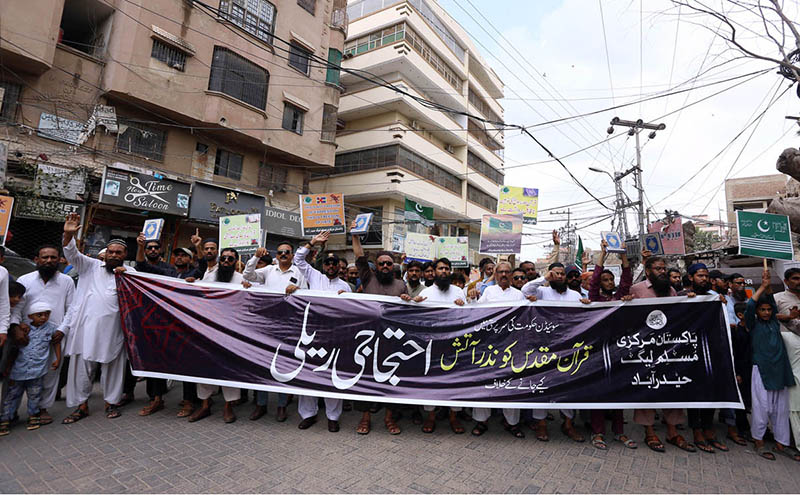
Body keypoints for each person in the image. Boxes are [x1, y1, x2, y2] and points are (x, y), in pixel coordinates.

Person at [61, 213, 135, 424]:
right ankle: (81, 406)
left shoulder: (130, 272)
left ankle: (111, 403)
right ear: (105, 254)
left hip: (115, 331)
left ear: (124, 254)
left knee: (113, 368)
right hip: (87, 329)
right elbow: (72, 254)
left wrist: (127, 275)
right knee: (82, 368)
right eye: (110, 252)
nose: (113, 255)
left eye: (117, 253)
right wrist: (68, 235)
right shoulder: (90, 266)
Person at [520, 262, 589, 442]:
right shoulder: (542, 292)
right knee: (541, 385)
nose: (559, 277)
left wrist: (587, 306)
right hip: (544, 348)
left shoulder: (575, 295)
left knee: (568, 386)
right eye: (556, 274)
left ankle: (567, 424)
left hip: (568, 348)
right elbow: (526, 290)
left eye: (562, 274)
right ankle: (541, 425)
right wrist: (545, 278)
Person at [290, 231, 351, 433]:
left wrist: (346, 300)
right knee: (308, 374)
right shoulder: (314, 276)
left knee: (333, 377)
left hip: (335, 337)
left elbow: (352, 313)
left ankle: (333, 417)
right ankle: (308, 414)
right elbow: (298, 259)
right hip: (312, 335)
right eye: (328, 264)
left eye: (335, 264)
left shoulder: (345, 287)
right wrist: (313, 242)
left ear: (339, 268)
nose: (331, 267)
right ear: (323, 266)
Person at [629, 256, 691, 453]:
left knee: (672, 387)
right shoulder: (637, 290)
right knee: (647, 388)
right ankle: (649, 431)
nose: (662, 272)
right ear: (648, 271)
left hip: (669, 348)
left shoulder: (671, 290)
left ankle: (672, 431)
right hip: (646, 349)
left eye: (664, 268)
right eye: (657, 269)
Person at [9, 244, 74, 426]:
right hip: (26, 335)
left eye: (53, 257)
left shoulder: (66, 281)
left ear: (60, 260)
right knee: (18, 372)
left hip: (54, 336)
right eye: (44, 257)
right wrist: (16, 326)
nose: (49, 261)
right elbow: (17, 306)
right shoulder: (25, 279)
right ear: (37, 259)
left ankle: (42, 408)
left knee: (50, 373)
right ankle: (10, 411)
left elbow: (72, 309)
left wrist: (62, 330)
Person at [352, 227, 407, 435]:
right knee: (365, 379)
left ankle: (389, 419)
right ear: (376, 266)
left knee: (392, 380)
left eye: (388, 264)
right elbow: (359, 256)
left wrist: (408, 300)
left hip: (393, 342)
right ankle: (365, 418)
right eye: (381, 263)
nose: (385, 266)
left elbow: (408, 311)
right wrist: (356, 236)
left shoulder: (401, 285)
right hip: (368, 339)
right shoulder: (368, 278)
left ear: (393, 267)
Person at [243, 242, 305, 423]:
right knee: (263, 364)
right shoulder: (268, 271)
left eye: (287, 252)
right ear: (276, 256)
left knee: (283, 366)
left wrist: (298, 290)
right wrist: (255, 256)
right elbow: (248, 275)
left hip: (289, 325)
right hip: (267, 325)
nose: (284, 254)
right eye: (280, 252)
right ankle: (261, 404)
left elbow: (308, 296)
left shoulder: (299, 273)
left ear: (292, 255)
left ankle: (281, 405)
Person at [471, 262, 532, 439]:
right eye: (501, 272)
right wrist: (473, 296)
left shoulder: (519, 295)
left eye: (507, 272)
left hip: (512, 346)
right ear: (495, 275)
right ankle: (481, 421)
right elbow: (475, 312)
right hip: (489, 346)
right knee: (484, 383)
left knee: (512, 384)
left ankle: (512, 423)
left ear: (511, 275)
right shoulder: (488, 292)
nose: (504, 275)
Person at [746, 267, 800, 461]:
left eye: (769, 309)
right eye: (763, 310)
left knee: (780, 409)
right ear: (757, 312)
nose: (767, 312)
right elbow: (751, 304)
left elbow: (771, 303)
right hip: (761, 369)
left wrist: (768, 288)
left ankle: (781, 443)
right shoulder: (753, 324)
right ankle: (758, 441)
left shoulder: (774, 323)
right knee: (761, 408)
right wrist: (763, 286)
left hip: (780, 369)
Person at [587, 239, 636, 450]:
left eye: (610, 279)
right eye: (604, 279)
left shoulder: (620, 297)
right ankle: (598, 433)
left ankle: (619, 432)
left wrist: (623, 254)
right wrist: (603, 255)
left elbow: (627, 278)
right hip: (598, 352)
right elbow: (594, 281)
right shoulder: (594, 299)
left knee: (617, 392)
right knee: (598, 393)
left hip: (619, 351)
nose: (607, 282)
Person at [675, 263, 729, 453]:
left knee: (711, 391)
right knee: (695, 393)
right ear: (691, 277)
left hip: (712, 352)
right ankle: (697, 431)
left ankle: (709, 430)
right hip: (689, 352)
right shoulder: (681, 296)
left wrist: (722, 306)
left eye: (706, 276)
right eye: (700, 276)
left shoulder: (715, 298)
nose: (704, 279)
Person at [187, 248, 244, 424]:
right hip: (208, 330)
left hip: (231, 332)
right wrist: (191, 283)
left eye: (230, 259)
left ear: (235, 262)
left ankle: (228, 406)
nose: (226, 261)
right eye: (223, 258)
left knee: (229, 369)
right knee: (205, 367)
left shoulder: (241, 280)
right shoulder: (209, 276)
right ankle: (205, 405)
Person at [411, 258, 466, 434]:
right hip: (432, 346)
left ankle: (453, 417)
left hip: (455, 346)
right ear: (434, 272)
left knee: (455, 383)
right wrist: (414, 303)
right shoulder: (426, 293)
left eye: (447, 269)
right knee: (431, 383)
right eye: (441, 268)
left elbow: (469, 316)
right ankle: (431, 417)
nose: (444, 271)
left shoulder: (458, 291)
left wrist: (463, 306)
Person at [0, 301, 60, 435]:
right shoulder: (23, 330)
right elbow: (13, 350)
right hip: (18, 371)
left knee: (34, 395)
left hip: (36, 371)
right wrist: (8, 368)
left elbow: (56, 343)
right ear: (31, 316)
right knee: (12, 396)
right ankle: (5, 419)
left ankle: (33, 416)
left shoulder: (50, 329)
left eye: (46, 314)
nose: (43, 317)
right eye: (39, 315)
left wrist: (58, 359)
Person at [775, 267, 800, 450]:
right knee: (794, 392)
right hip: (789, 343)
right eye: (795, 278)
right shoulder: (778, 298)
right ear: (786, 281)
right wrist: (787, 317)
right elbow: (764, 314)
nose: (799, 281)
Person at [727, 302, 751, 445]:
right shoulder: (736, 333)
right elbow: (734, 354)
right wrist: (737, 372)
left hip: (753, 369)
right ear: (740, 315)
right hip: (741, 369)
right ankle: (742, 428)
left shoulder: (754, 329)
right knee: (742, 401)